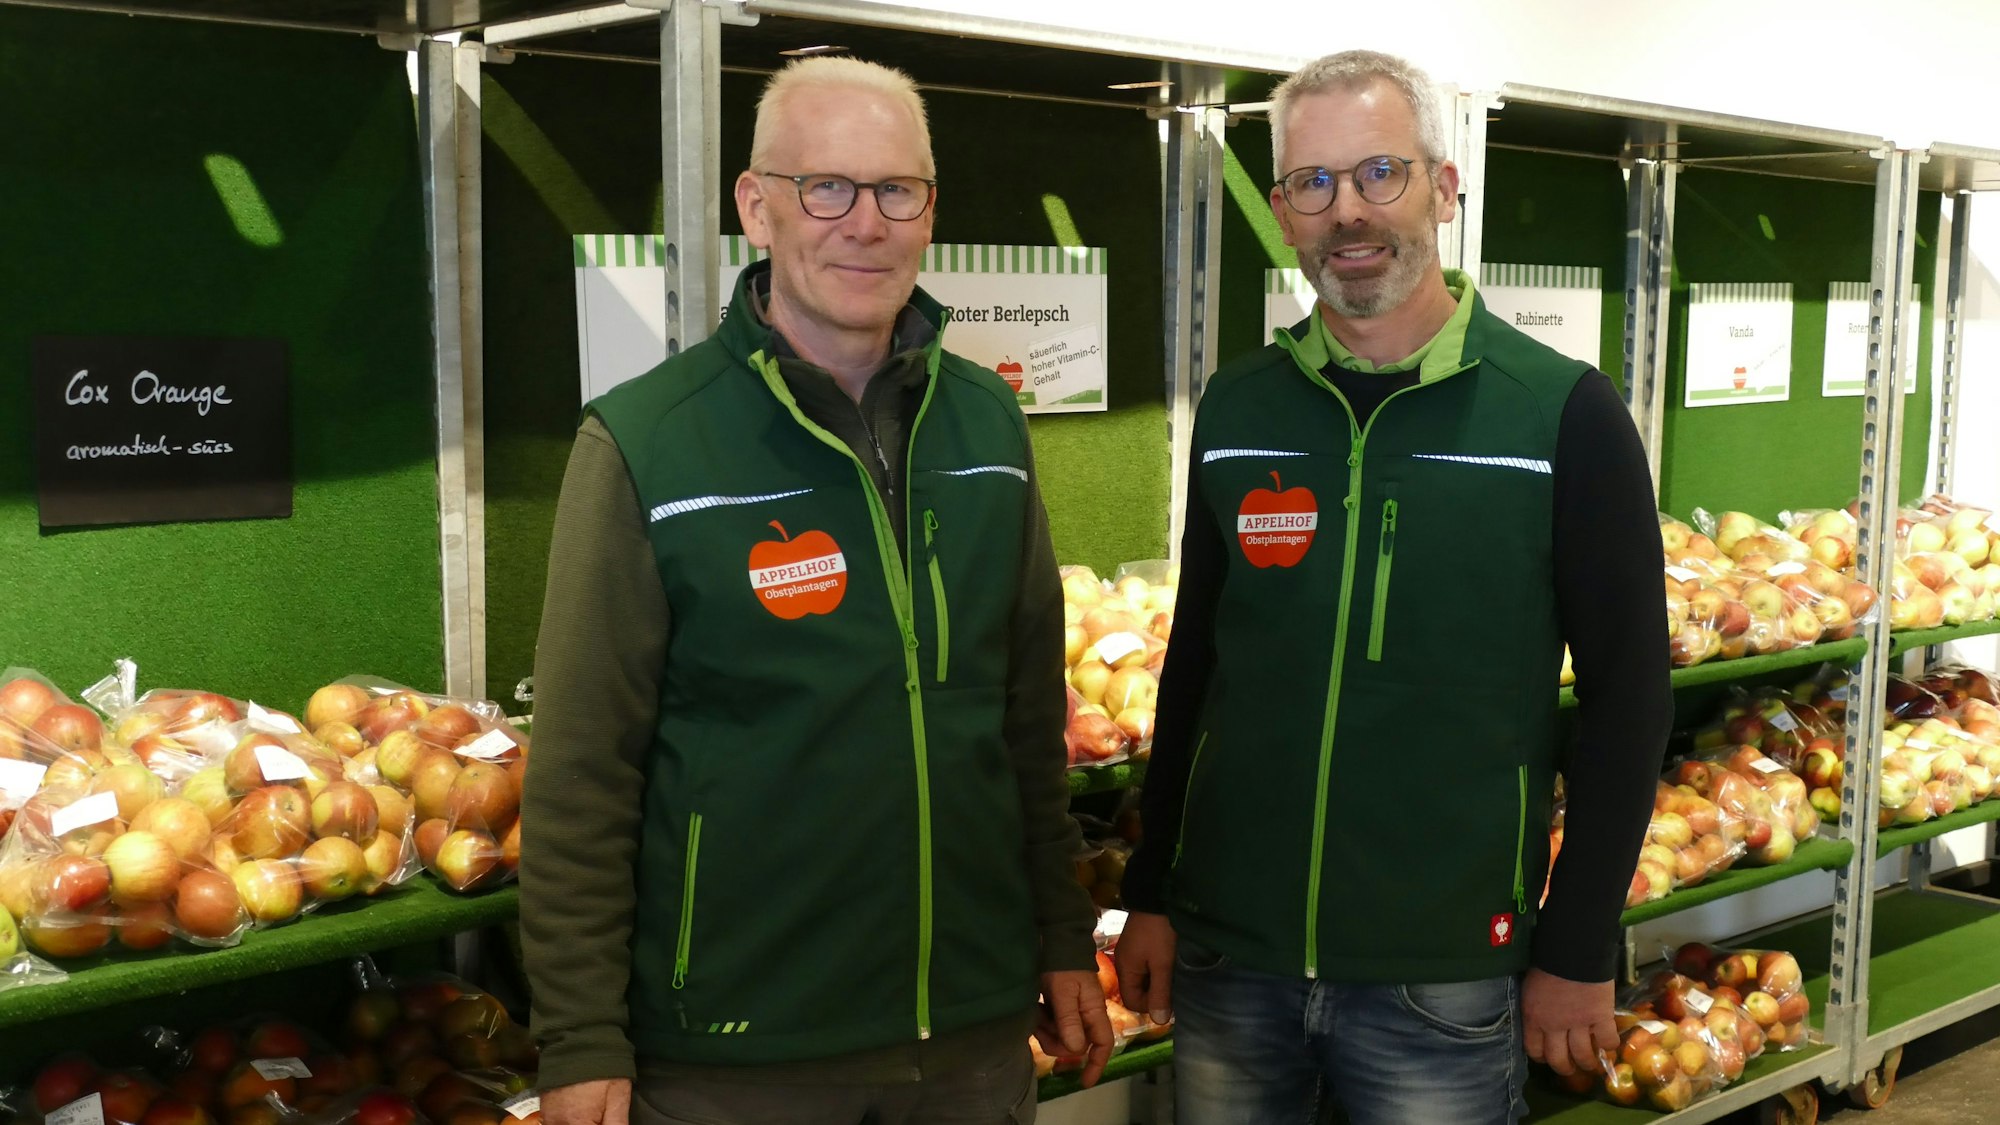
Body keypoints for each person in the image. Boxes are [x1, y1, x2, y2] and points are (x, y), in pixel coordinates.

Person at [519, 56, 1112, 1125]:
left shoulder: (986, 426)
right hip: (739, 1054)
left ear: (929, 213)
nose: (864, 223)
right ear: (757, 206)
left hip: (970, 1038)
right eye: (825, 188)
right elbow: (580, 773)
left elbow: (1025, 724)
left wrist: (1063, 937)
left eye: (897, 192)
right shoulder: (648, 442)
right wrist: (578, 1039)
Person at [1115, 49, 1670, 1124]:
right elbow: (1197, 663)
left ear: (1442, 186)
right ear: (1280, 211)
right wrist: (1149, 887)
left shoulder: (1559, 414)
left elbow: (1628, 699)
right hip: (1234, 958)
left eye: (1379, 173)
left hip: (1444, 971)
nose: (1347, 214)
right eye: (1312, 184)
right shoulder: (1237, 409)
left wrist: (1578, 940)